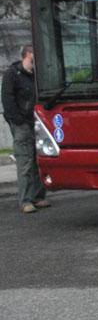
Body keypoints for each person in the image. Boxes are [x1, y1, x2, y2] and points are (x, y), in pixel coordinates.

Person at [2, 45, 50, 214]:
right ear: (26, 55)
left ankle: (37, 195)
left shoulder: (34, 76)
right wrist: (18, 120)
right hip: (22, 123)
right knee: (25, 161)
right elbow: (8, 100)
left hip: (35, 122)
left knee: (37, 159)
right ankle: (26, 199)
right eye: (32, 57)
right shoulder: (12, 75)